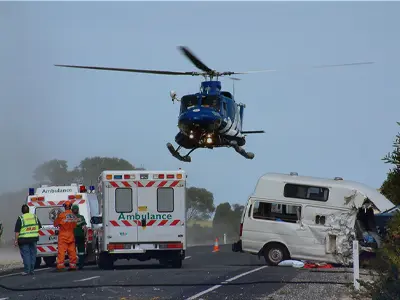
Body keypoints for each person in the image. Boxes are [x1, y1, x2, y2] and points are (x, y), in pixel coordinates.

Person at [14, 204, 42, 275]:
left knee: (26, 255)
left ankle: (27, 270)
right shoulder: (34, 217)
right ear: (28, 210)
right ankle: (32, 270)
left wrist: (16, 240)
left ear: (22, 211)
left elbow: (17, 231)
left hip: (23, 239)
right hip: (33, 238)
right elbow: (39, 226)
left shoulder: (21, 218)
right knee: (33, 254)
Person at [54, 201, 78, 271]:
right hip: (71, 235)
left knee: (61, 252)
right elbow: (75, 225)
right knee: (72, 251)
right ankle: (73, 265)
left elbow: (55, 224)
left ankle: (60, 266)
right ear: (70, 207)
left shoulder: (61, 215)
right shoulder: (73, 216)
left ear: (64, 207)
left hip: (63, 236)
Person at [71, 204, 87, 269]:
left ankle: (73, 265)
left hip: (72, 237)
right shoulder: (81, 217)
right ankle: (81, 265)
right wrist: (85, 236)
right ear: (78, 210)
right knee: (81, 251)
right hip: (80, 236)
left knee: (72, 251)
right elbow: (84, 228)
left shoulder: (70, 218)